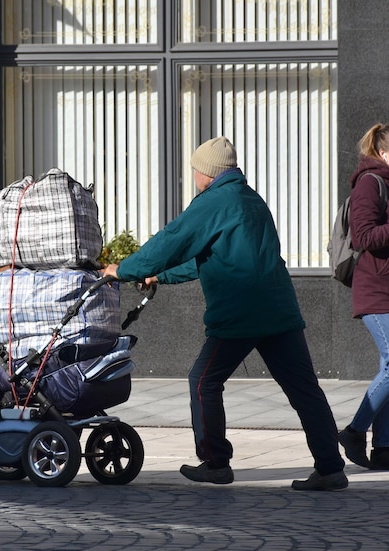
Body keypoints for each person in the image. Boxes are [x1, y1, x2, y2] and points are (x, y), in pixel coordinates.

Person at [103, 136, 347, 491]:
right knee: (305, 390)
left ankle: (216, 462)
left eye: (195, 169)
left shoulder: (213, 202)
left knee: (203, 381)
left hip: (241, 311)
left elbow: (171, 241)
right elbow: (210, 258)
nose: (194, 176)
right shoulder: (250, 200)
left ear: (208, 172)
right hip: (279, 310)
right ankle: (330, 468)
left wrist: (124, 269)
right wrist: (160, 276)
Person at [338, 124, 389, 471]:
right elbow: (365, 237)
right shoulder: (370, 183)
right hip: (375, 290)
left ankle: (384, 448)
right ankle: (355, 430)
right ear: (384, 153)